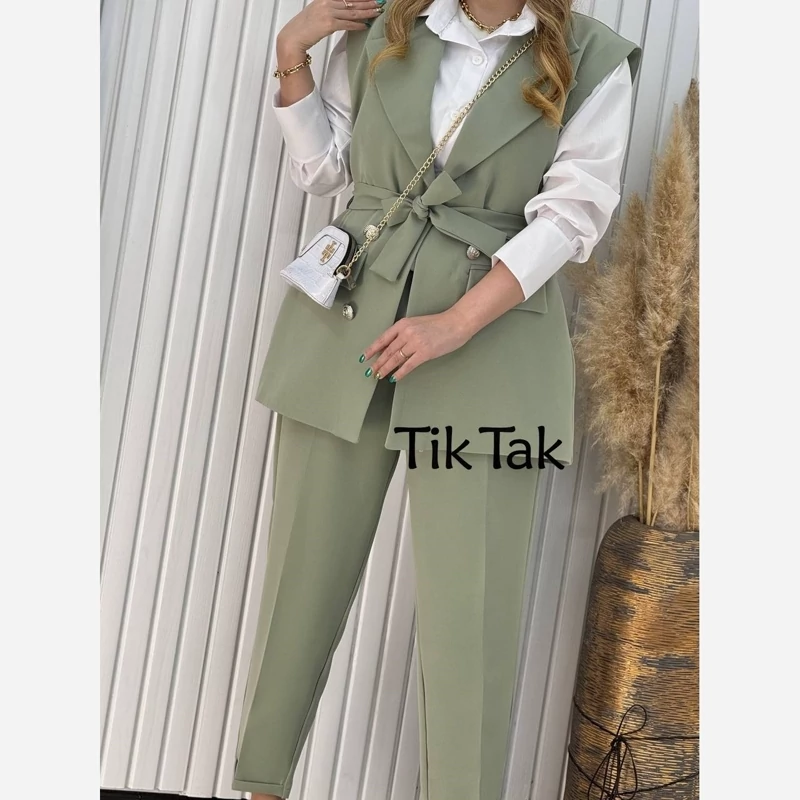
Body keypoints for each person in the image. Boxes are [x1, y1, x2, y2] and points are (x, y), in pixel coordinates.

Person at [232, 1, 641, 797]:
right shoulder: (384, 25)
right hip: (350, 325)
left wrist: (456, 323)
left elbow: (573, 215)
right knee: (300, 581)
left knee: (471, 609)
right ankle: (260, 787)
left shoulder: (595, 57)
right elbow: (325, 173)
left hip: (491, 344)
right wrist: (291, 54)